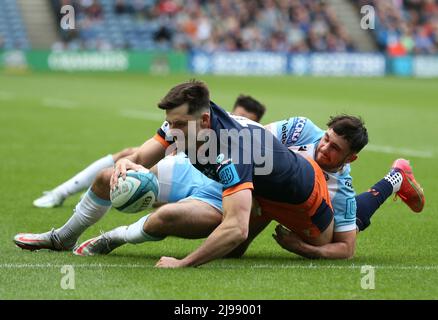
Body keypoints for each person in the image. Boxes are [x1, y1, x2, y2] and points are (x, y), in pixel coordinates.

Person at [15, 80, 336, 268]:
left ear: (206, 122)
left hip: (305, 198)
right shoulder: (185, 122)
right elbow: (142, 155)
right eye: (172, 123)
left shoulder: (235, 150)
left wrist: (183, 264)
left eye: (180, 125)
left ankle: (113, 237)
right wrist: (128, 163)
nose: (173, 130)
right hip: (244, 185)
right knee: (107, 175)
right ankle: (62, 238)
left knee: (331, 246)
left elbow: (236, 229)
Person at [31, 95, 266, 208]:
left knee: (145, 191)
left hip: (206, 186)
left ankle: (98, 198)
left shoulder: (247, 145)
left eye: (247, 119)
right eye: (239, 114)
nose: (240, 120)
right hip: (184, 165)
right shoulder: (207, 124)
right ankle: (62, 192)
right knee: (130, 157)